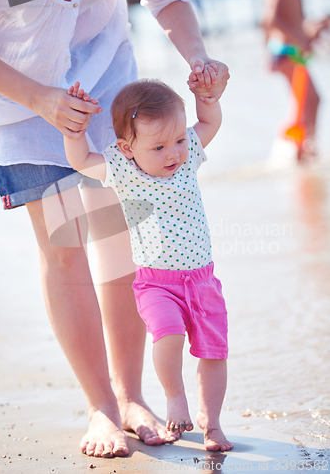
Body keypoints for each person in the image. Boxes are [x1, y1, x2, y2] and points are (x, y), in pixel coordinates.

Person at [0, 0, 230, 458]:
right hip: (21, 101)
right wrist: (40, 98)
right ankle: (100, 405)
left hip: (111, 97)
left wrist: (199, 60)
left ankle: (131, 397)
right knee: (64, 247)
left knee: (120, 243)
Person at [63, 76, 233, 452]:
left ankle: (213, 425)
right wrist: (76, 129)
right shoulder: (123, 173)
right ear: (126, 148)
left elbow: (210, 123)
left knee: (214, 352)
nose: (173, 153)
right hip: (157, 284)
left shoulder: (186, 161)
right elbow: (81, 160)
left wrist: (205, 97)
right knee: (168, 334)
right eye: (158, 146)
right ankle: (175, 399)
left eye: (178, 140)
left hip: (203, 282)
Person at [261, 0, 329, 161]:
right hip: (287, 50)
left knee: (306, 102)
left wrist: (315, 29)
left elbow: (292, 21)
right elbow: (269, 19)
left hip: (287, 49)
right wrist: (300, 40)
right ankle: (304, 150)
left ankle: (304, 148)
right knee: (310, 100)